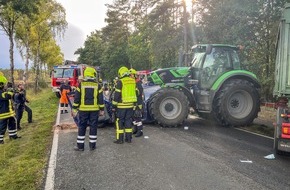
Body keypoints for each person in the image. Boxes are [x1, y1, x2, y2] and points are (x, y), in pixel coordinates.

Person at [72, 67, 104, 151]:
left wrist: (74, 109)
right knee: (93, 127)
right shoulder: (98, 85)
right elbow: (101, 99)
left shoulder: (81, 85)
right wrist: (102, 109)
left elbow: (76, 99)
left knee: (82, 127)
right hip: (94, 110)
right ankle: (92, 146)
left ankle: (80, 146)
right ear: (93, 74)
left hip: (83, 110)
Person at [112, 66, 138, 144]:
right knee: (128, 121)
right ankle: (129, 138)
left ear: (121, 73)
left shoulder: (120, 81)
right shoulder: (133, 81)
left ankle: (120, 139)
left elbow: (117, 95)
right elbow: (136, 92)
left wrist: (114, 105)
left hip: (121, 106)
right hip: (130, 105)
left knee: (119, 121)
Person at [0, 75, 21, 144]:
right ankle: (0, 140)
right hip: (3, 113)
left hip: (9, 112)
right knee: (2, 127)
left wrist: (11, 90)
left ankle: (13, 136)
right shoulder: (1, 92)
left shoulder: (3, 91)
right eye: (3, 84)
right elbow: (6, 96)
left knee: (12, 123)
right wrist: (10, 90)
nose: (4, 85)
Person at [129, 68, 144, 137]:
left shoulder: (138, 83)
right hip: (134, 103)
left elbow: (138, 92)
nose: (130, 76)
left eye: (131, 75)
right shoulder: (134, 82)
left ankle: (140, 131)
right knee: (134, 117)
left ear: (134, 75)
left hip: (138, 103)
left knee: (138, 118)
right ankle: (135, 129)